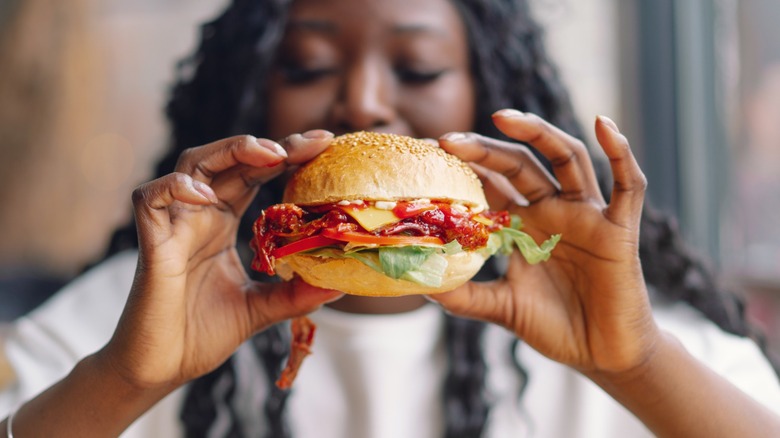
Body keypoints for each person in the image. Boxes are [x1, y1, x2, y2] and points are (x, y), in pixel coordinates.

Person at [2, 0, 780, 436]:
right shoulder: (140, 311)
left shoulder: (615, 316)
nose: (365, 102)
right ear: (251, 98)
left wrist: (634, 365)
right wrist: (125, 381)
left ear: (488, 95)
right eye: (306, 66)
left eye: (418, 68)